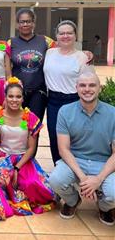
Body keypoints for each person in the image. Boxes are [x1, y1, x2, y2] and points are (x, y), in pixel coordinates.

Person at [49, 72, 115, 226]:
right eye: (82, 85)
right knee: (55, 180)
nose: (87, 89)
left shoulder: (113, 114)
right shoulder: (65, 111)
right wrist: (85, 180)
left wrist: (98, 180)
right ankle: (73, 201)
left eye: (92, 85)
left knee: (113, 194)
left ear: (100, 88)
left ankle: (104, 207)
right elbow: (64, 150)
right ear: (76, 88)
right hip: (76, 160)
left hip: (103, 162)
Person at [0, 77, 55, 215]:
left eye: (18, 96)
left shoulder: (31, 118)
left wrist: (17, 168)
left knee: (33, 184)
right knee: (3, 180)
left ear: (22, 99)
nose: (14, 100)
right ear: (6, 97)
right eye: (11, 96)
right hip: (2, 156)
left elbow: (31, 148)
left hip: (23, 159)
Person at [43, 20, 91, 164]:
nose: (65, 36)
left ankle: (75, 170)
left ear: (75, 36)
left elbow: (88, 82)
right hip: (52, 101)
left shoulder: (82, 57)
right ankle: (58, 168)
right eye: (61, 33)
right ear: (56, 36)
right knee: (54, 136)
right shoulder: (49, 53)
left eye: (69, 33)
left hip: (73, 101)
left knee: (74, 138)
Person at [7, 8, 55, 137]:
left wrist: (85, 53)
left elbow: (64, 50)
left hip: (38, 92)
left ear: (33, 23)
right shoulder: (11, 43)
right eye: (22, 22)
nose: (25, 24)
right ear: (17, 24)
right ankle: (17, 157)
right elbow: (2, 64)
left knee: (33, 129)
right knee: (17, 128)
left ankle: (30, 157)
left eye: (28, 21)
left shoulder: (46, 41)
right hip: (17, 94)